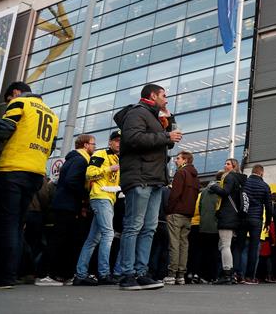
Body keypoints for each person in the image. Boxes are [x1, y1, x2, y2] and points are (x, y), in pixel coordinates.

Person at [113, 83, 182, 291]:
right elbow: (134, 139)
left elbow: (168, 143)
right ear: (152, 95)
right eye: (164, 95)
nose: (167, 99)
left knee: (149, 228)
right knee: (134, 226)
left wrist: (168, 123)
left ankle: (141, 272)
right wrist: (165, 135)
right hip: (140, 177)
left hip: (154, 179)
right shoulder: (137, 113)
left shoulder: (155, 118)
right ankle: (127, 274)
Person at [0, 82, 58, 289]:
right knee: (17, 224)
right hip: (36, 173)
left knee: (7, 224)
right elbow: (52, 147)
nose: (8, 103)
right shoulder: (52, 114)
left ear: (14, 93)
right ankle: (17, 272)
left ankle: (4, 276)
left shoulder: (19, 103)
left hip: (12, 168)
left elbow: (3, 131)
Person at [73, 131, 121, 286]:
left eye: (122, 141)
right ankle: (104, 274)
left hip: (108, 199)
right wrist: (109, 169)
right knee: (108, 234)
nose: (119, 143)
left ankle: (80, 274)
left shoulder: (117, 158)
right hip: (101, 198)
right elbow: (89, 174)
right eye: (116, 140)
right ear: (110, 142)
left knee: (93, 239)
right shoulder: (101, 154)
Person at [47, 134, 96, 285]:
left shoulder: (73, 159)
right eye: (93, 144)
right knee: (59, 240)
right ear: (85, 145)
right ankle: (46, 274)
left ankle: (60, 274)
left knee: (66, 240)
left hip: (66, 205)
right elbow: (72, 181)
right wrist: (84, 196)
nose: (94, 147)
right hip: (67, 206)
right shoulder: (80, 160)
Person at [208, 158, 245, 285]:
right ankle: (231, 274)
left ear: (234, 166)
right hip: (235, 216)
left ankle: (227, 274)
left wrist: (213, 187)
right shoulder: (240, 180)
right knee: (228, 245)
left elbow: (225, 192)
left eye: (228, 164)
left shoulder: (229, 178)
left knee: (225, 245)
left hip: (227, 215)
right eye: (225, 163)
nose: (225, 165)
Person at [166, 150, 199, 285]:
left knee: (174, 244)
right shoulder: (195, 176)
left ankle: (171, 274)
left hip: (176, 213)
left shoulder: (181, 173)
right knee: (184, 244)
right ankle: (181, 275)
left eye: (178, 158)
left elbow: (175, 194)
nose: (175, 160)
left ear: (185, 160)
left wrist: (168, 210)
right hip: (188, 214)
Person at [243, 163, 273, 283]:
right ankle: (250, 277)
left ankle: (238, 274)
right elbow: (269, 206)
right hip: (256, 219)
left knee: (241, 247)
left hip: (243, 218)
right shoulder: (265, 186)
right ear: (262, 173)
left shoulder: (244, 183)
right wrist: (268, 222)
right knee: (253, 248)